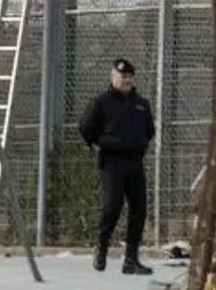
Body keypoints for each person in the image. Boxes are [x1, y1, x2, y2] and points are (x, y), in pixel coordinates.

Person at [78, 57, 155, 276]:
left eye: (130, 76)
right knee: (113, 206)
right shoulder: (101, 102)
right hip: (112, 161)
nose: (127, 80)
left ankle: (131, 260)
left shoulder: (141, 104)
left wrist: (138, 144)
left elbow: (149, 130)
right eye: (123, 76)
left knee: (139, 209)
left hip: (135, 161)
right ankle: (101, 248)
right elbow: (86, 127)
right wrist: (101, 144)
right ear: (113, 77)